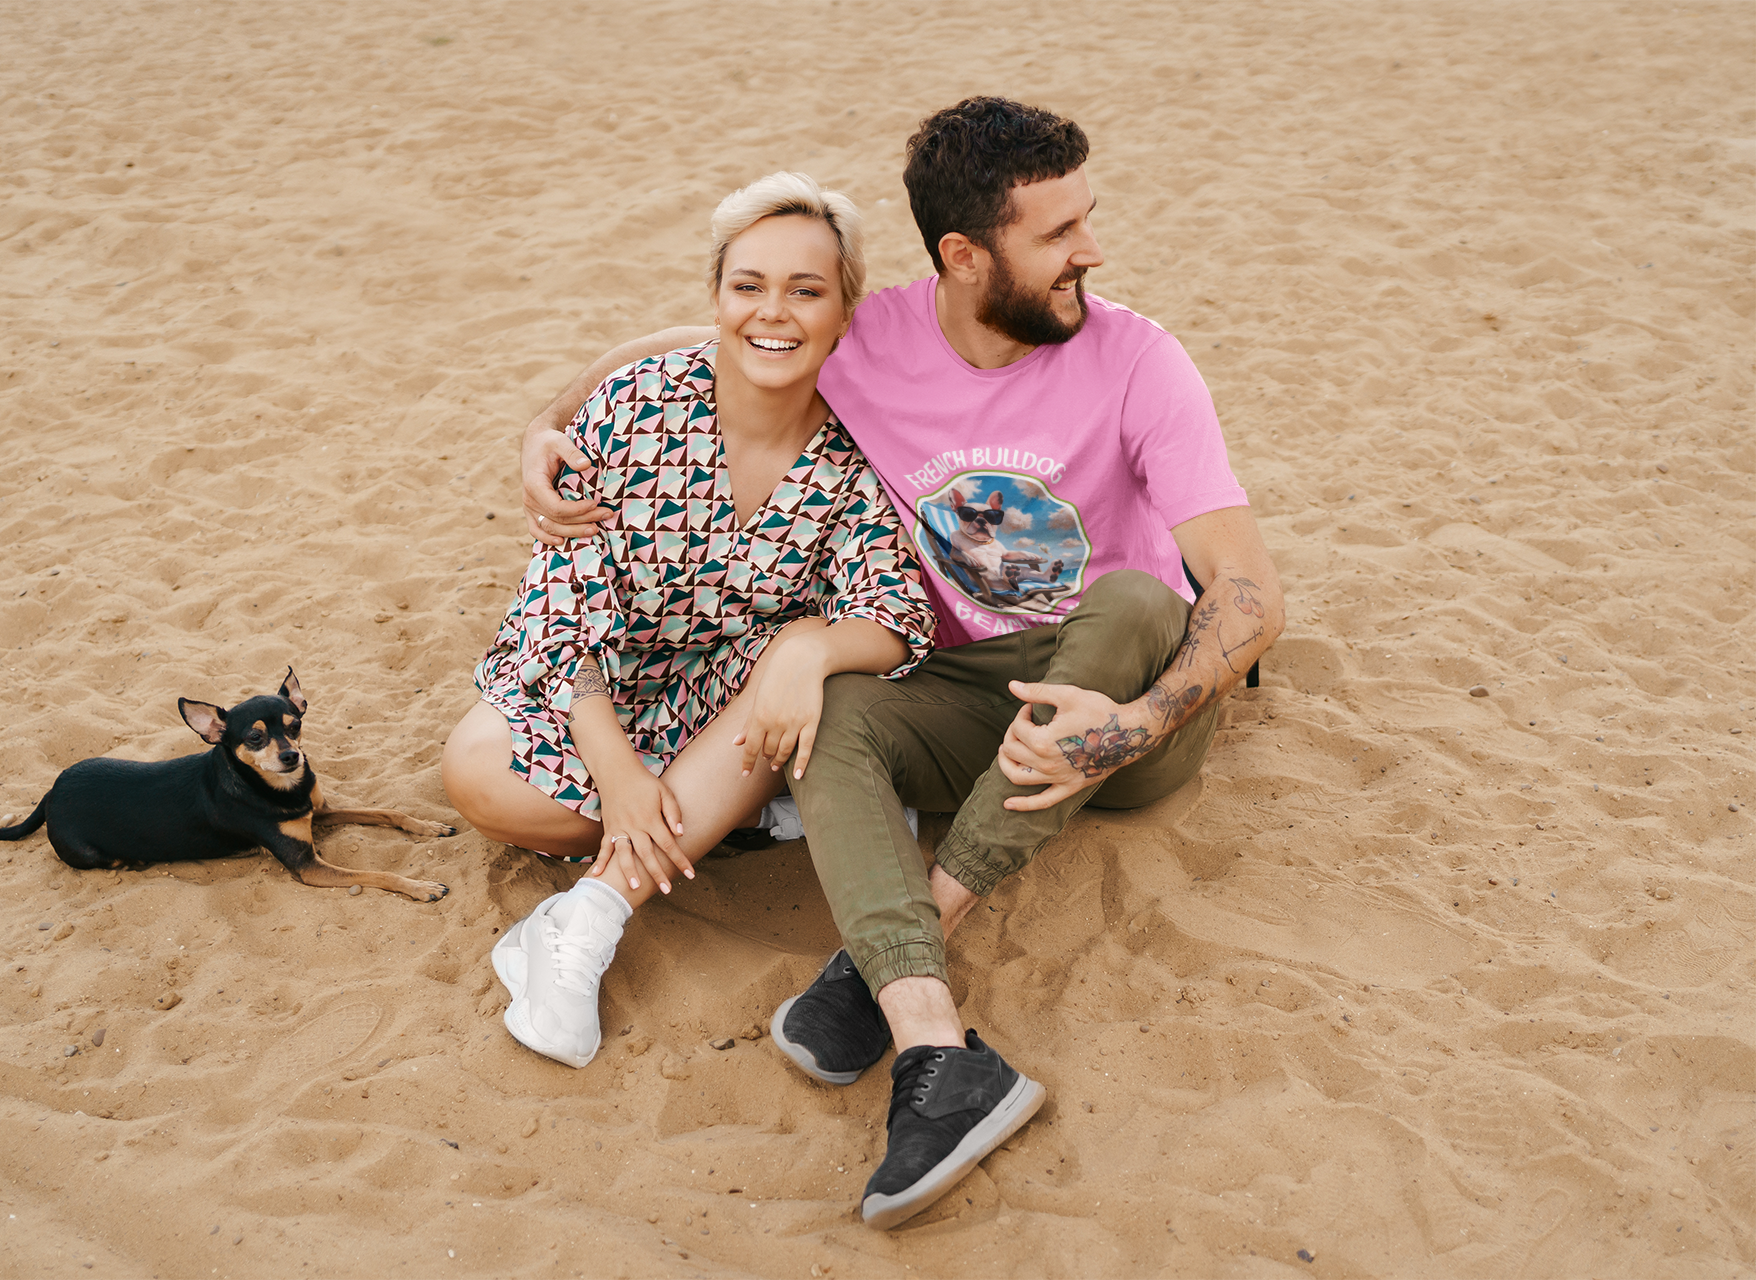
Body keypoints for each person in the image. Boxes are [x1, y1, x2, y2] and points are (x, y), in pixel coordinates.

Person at [519, 98, 1286, 1228]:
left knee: (1128, 596)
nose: (1093, 251)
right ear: (966, 256)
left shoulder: (1139, 358)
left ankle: (896, 936)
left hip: (1121, 692)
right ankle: (936, 1044)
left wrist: (1127, 726)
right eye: (1058, 232)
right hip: (967, 687)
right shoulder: (871, 335)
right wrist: (547, 422)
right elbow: (692, 345)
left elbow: (1251, 593)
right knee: (826, 702)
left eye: (1088, 218)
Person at [441, 173, 936, 1073]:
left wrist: (810, 646)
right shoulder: (640, 404)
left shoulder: (862, 447)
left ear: (844, 309)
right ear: (716, 297)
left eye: (805, 290)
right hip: (592, 673)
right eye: (747, 286)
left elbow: (895, 614)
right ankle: (738, 812)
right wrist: (619, 772)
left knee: (792, 669)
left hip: (733, 697)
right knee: (478, 780)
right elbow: (563, 605)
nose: (772, 313)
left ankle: (585, 918)